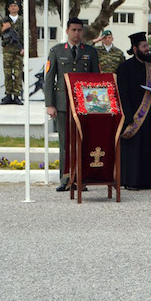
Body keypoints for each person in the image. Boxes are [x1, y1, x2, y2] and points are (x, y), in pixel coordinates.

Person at [44, 18, 100, 191]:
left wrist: (96, 105)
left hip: (84, 103)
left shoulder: (90, 52)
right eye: (73, 30)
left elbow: (96, 79)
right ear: (67, 30)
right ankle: (66, 178)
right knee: (65, 142)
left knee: (83, 140)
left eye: (79, 30)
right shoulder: (56, 51)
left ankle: (81, 178)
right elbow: (49, 79)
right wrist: (50, 104)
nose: (76, 33)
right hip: (62, 104)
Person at [117, 32, 151, 189]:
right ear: (135, 48)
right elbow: (122, 93)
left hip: (148, 114)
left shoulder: (149, 67)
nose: (147, 49)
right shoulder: (125, 67)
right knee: (134, 149)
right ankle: (132, 181)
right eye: (144, 46)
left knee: (148, 147)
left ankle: (150, 180)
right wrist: (128, 115)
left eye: (147, 46)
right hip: (133, 114)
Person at [0, 0, 24, 105]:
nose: (13, 8)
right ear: (8, 8)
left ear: (18, 8)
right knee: (7, 74)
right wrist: (3, 29)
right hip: (7, 51)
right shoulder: (4, 20)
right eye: (11, 6)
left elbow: (27, 35)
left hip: (18, 51)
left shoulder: (22, 20)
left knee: (18, 74)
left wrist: (25, 49)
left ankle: (16, 96)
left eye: (15, 6)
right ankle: (8, 95)